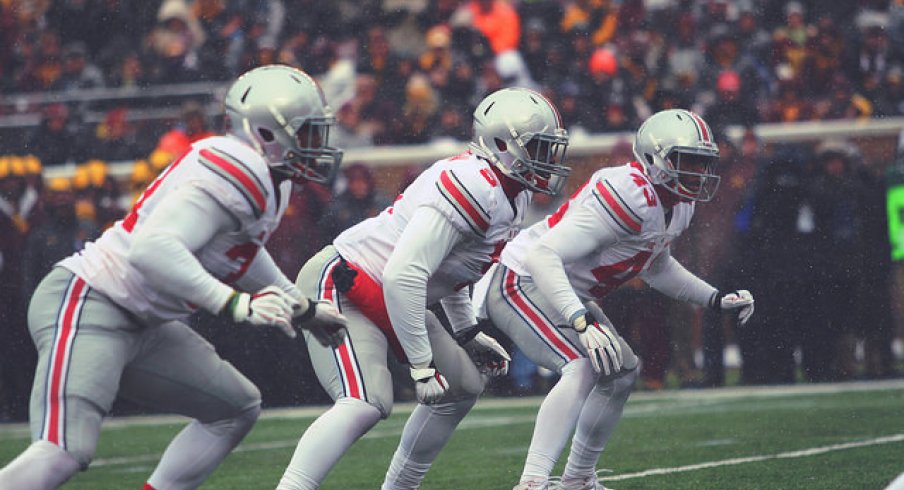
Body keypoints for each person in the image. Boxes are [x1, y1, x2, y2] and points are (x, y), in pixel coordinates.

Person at [0, 64, 348, 490]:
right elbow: (153, 249)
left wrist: (302, 307)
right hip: (92, 299)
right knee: (63, 451)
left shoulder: (272, 181)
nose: (318, 145)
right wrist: (236, 304)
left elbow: (242, 254)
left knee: (234, 408)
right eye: (308, 132)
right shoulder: (240, 168)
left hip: (143, 321)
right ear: (266, 133)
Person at [276, 87, 571, 490]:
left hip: (391, 294)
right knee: (365, 402)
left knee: (463, 386)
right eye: (538, 147)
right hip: (345, 281)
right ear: (501, 144)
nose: (547, 159)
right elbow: (404, 273)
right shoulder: (475, 185)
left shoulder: (508, 195)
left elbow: (449, 270)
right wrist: (421, 365)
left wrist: (467, 332)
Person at [478, 109, 755, 490]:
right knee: (582, 365)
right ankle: (532, 483)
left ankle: (576, 479)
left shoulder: (677, 206)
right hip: (520, 278)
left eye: (702, 162)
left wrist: (713, 298)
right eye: (687, 160)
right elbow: (542, 256)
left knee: (621, 373)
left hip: (560, 289)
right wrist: (580, 320)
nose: (697, 171)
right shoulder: (629, 194)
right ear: (656, 159)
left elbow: (657, 268)